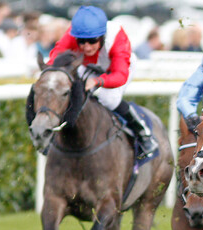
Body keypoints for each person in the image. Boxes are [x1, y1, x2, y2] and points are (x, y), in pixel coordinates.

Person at [48, 6, 158, 160]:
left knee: (109, 99)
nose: (86, 46)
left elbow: (119, 75)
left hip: (117, 68)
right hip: (89, 66)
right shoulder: (73, 33)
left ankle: (143, 134)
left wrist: (98, 81)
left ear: (102, 36)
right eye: (81, 42)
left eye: (92, 41)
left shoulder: (116, 38)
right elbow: (56, 56)